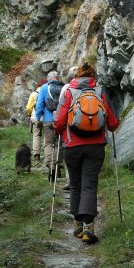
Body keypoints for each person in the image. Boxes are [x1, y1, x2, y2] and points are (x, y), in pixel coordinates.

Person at [54, 62, 120, 244]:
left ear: (77, 76)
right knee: (89, 185)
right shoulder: (100, 92)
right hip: (95, 147)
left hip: (73, 146)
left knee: (75, 185)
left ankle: (77, 225)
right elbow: (113, 124)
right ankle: (88, 229)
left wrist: (61, 130)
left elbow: (59, 122)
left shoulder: (69, 92)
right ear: (93, 76)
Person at [35, 71, 64, 180]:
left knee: (48, 143)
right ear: (58, 78)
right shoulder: (63, 87)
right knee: (59, 144)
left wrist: (38, 119)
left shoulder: (44, 88)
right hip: (60, 120)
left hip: (48, 120)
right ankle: (57, 166)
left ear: (48, 79)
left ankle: (51, 165)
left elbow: (39, 105)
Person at [59, 66, 78, 191]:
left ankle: (70, 181)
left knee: (70, 157)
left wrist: (58, 127)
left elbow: (62, 108)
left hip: (70, 131)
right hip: (92, 131)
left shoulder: (66, 88)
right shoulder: (94, 87)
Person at [26, 78, 46, 166]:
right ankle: (47, 155)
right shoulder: (47, 91)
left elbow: (29, 108)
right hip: (46, 117)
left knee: (36, 135)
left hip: (36, 118)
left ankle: (36, 156)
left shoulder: (34, 94)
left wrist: (30, 115)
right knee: (47, 136)